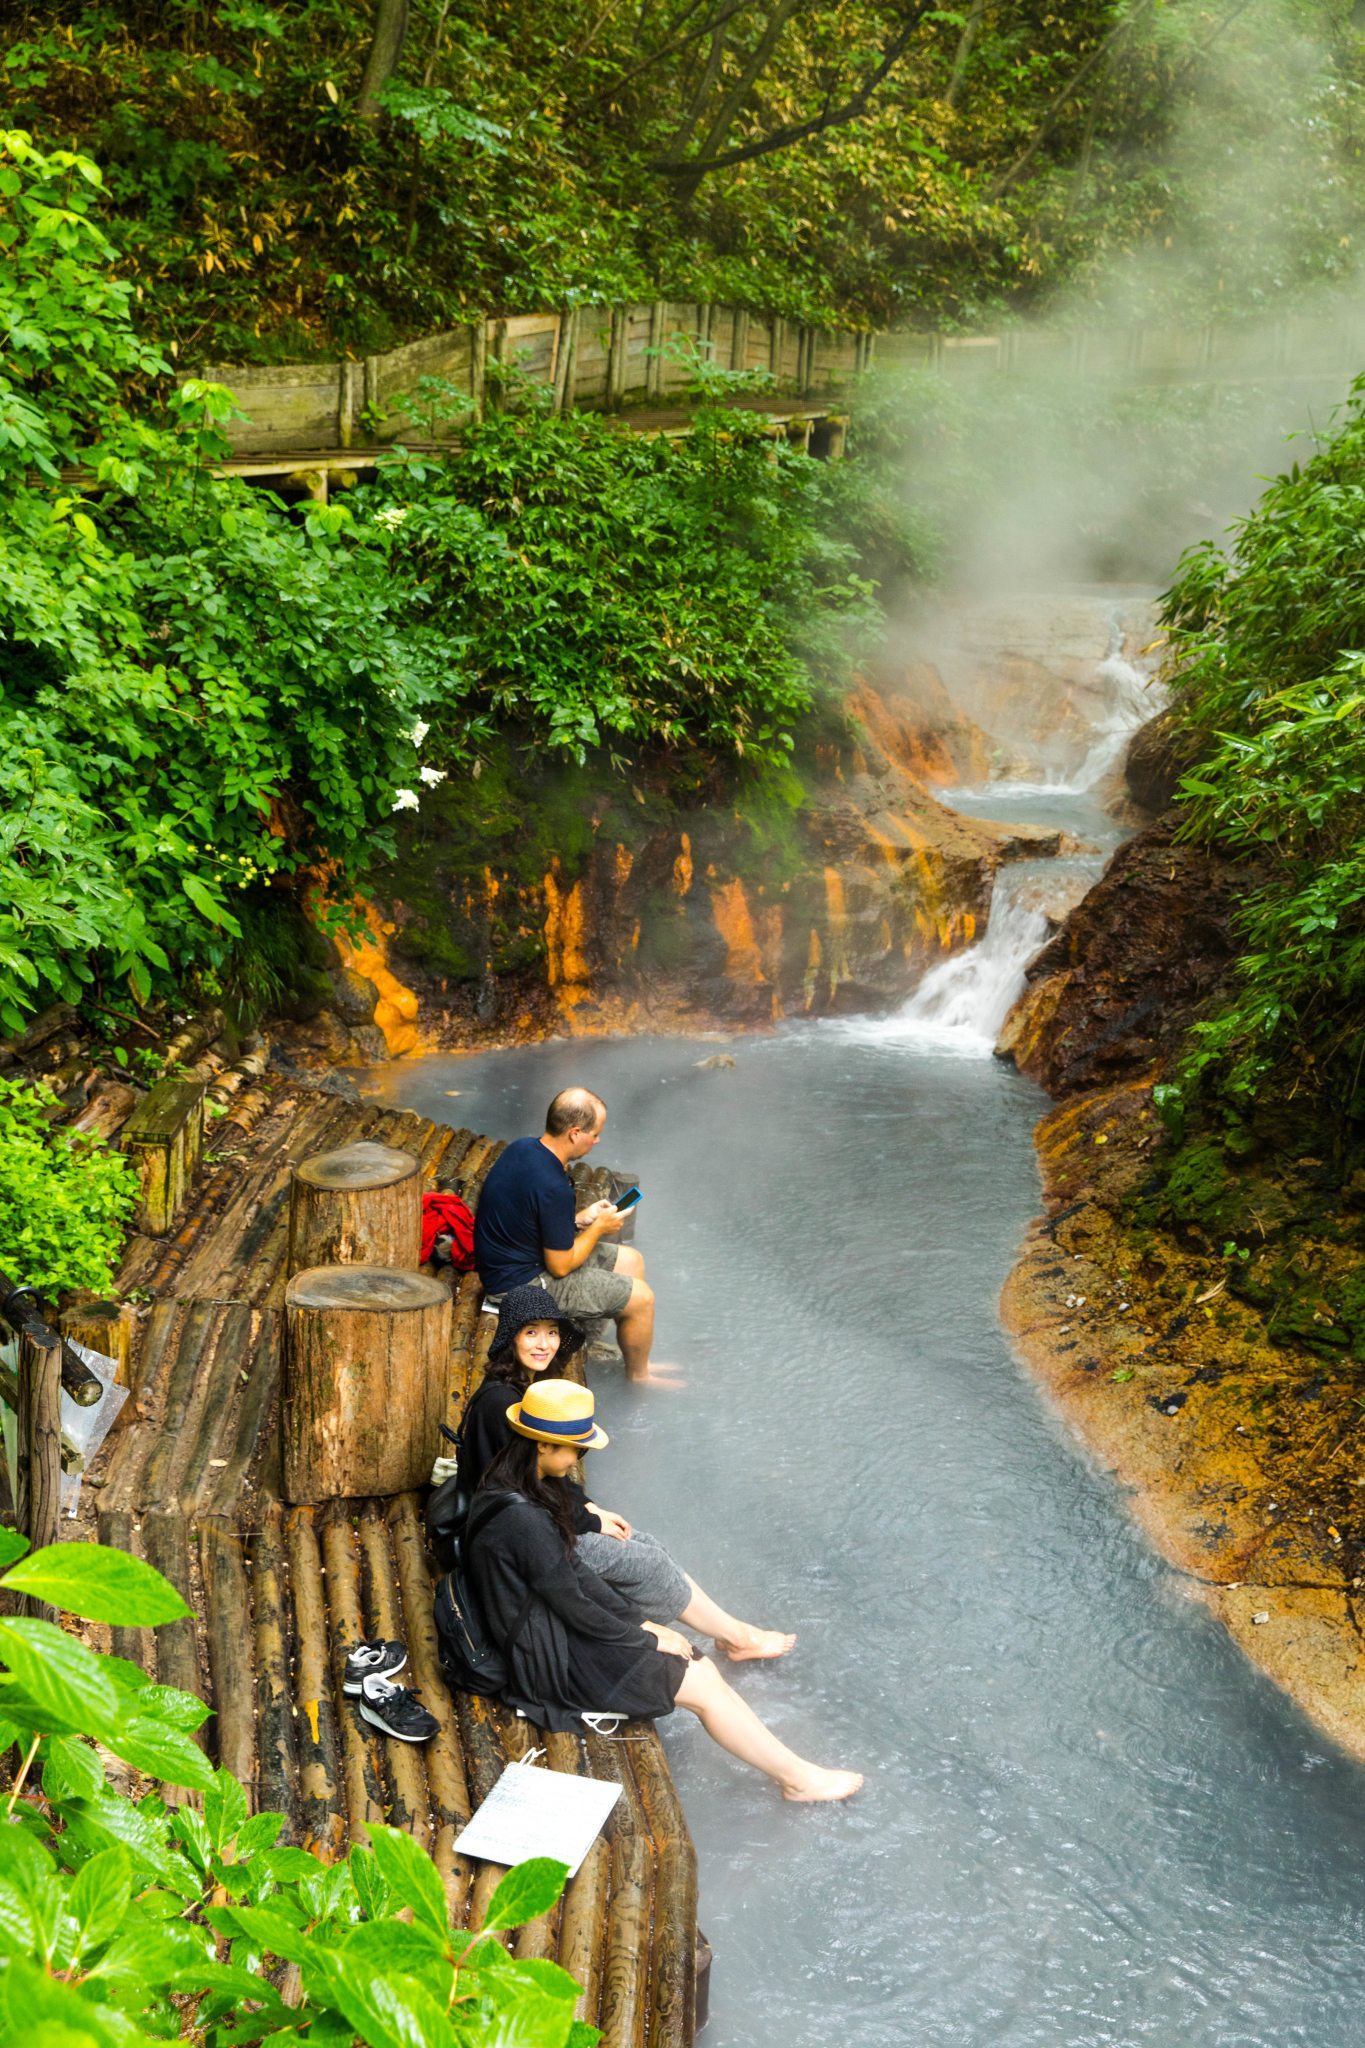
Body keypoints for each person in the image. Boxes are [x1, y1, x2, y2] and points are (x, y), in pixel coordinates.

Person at [465, 1379, 863, 1803]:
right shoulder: (524, 1520)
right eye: (575, 1449)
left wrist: (639, 1621)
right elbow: (573, 1603)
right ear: (542, 1446)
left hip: (543, 1624)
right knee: (702, 1679)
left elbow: (572, 1576)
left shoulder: (516, 1480)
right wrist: (643, 1635)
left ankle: (795, 1774)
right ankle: (798, 1781)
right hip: (547, 1654)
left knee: (695, 1663)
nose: (579, 1458)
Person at [460, 1288, 792, 1661]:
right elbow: (524, 1489)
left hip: (531, 1519)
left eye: (552, 1332)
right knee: (646, 1562)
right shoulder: (504, 1403)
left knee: (648, 1545)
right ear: (511, 1337)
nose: (545, 1344)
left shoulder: (525, 1389)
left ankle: (730, 1633)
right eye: (531, 1332)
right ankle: (738, 1637)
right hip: (518, 1539)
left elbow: (539, 1479)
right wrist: (587, 1518)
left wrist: (590, 1508)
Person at [473, 1085, 678, 1385]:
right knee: (643, 1299)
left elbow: (530, 1214)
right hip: (517, 1284)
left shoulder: (523, 1147)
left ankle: (634, 1355)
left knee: (632, 1261)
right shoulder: (553, 1187)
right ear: (575, 1133)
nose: (597, 1140)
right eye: (594, 1134)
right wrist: (599, 1228)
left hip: (514, 1259)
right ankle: (639, 1378)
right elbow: (560, 1266)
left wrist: (581, 1219)